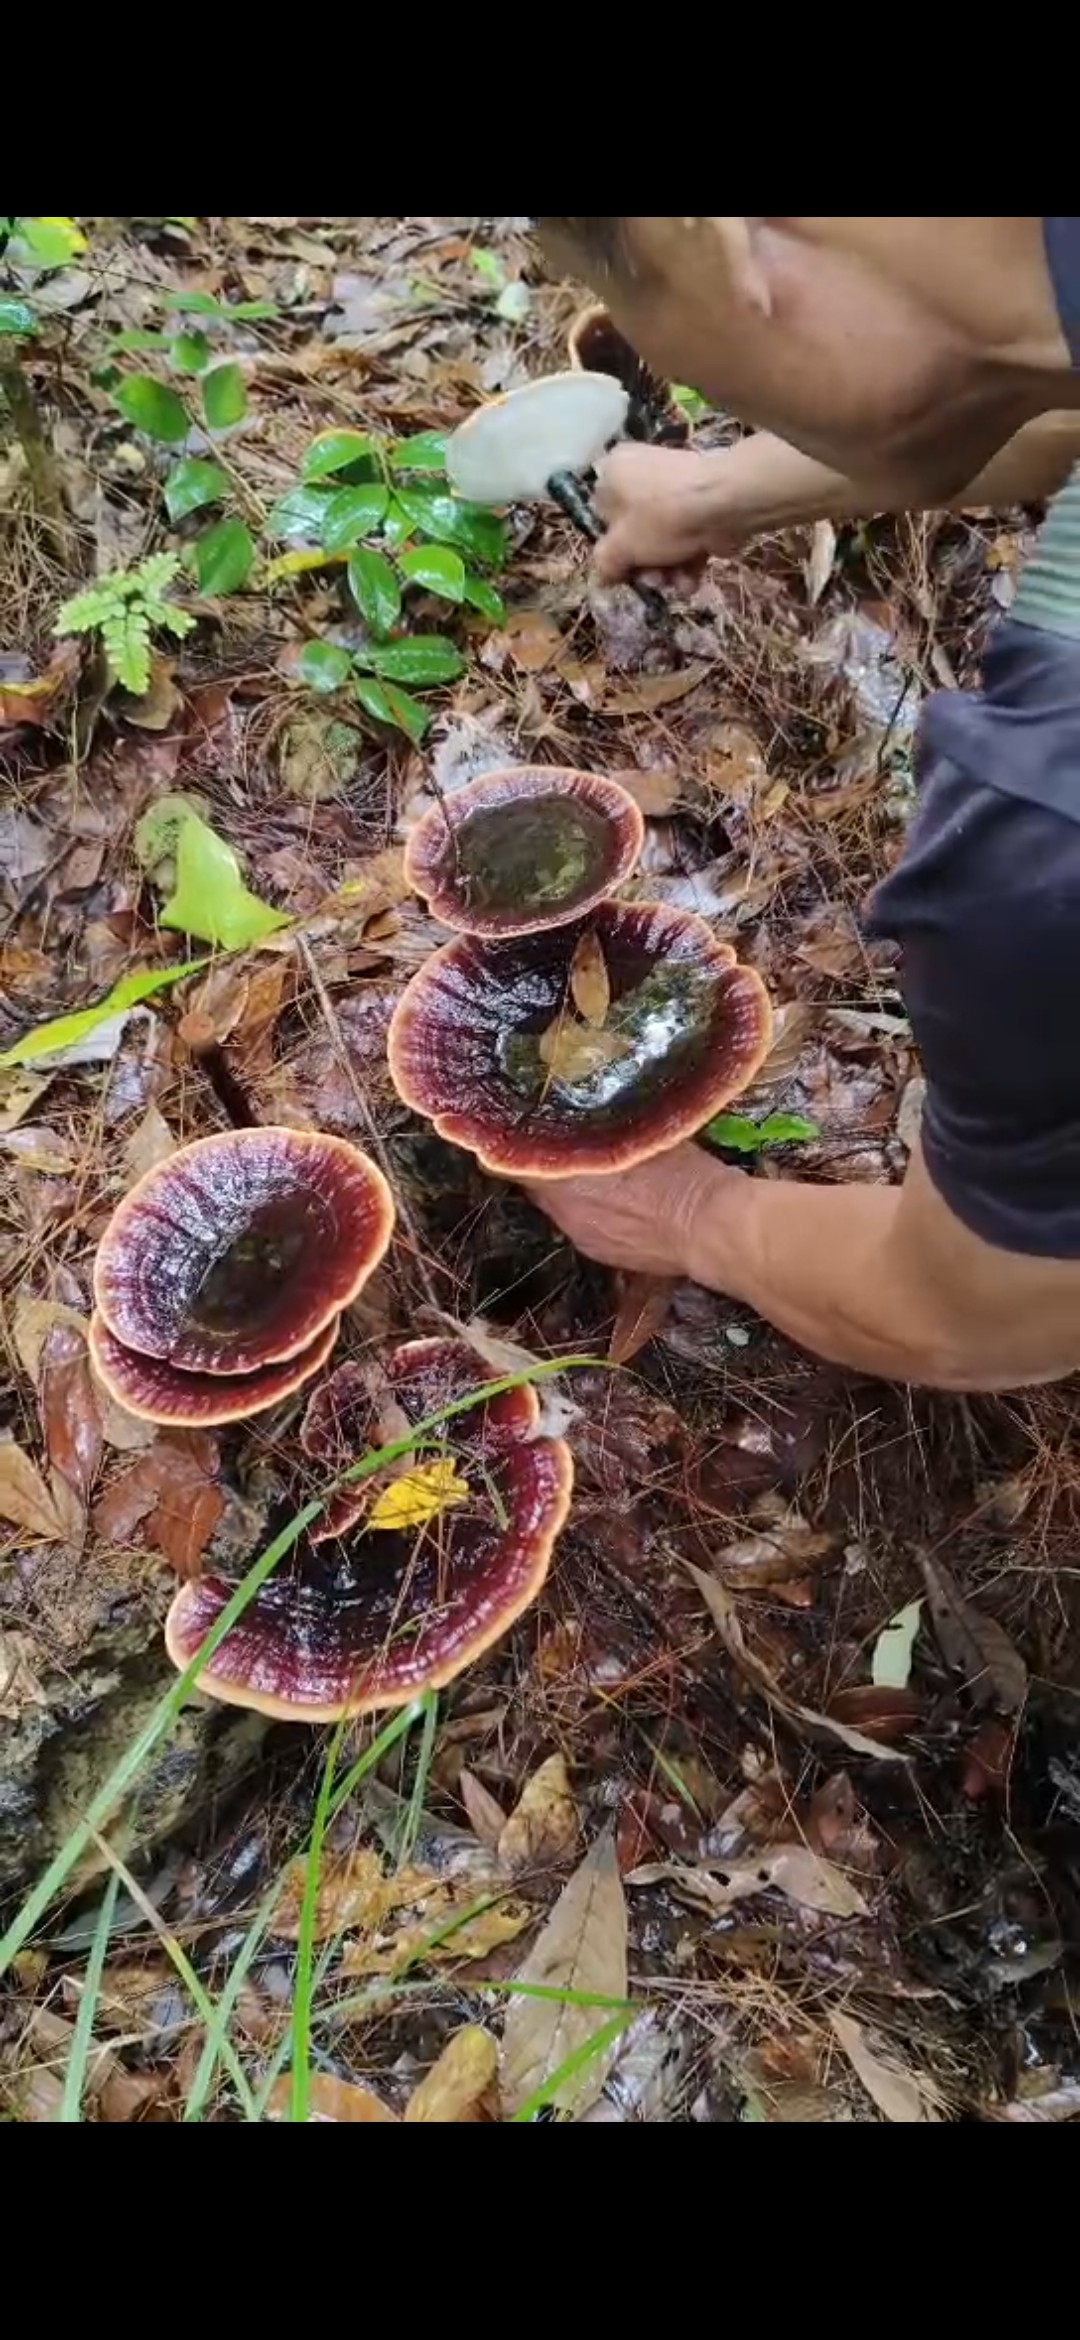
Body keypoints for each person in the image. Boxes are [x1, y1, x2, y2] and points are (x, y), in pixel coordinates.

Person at [520, 218, 1080, 1392]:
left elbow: (978, 1314)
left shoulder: (1038, 836)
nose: (684, 381)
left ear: (724, 246)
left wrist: (689, 1212)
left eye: (669, 352)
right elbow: (1052, 419)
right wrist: (721, 492)